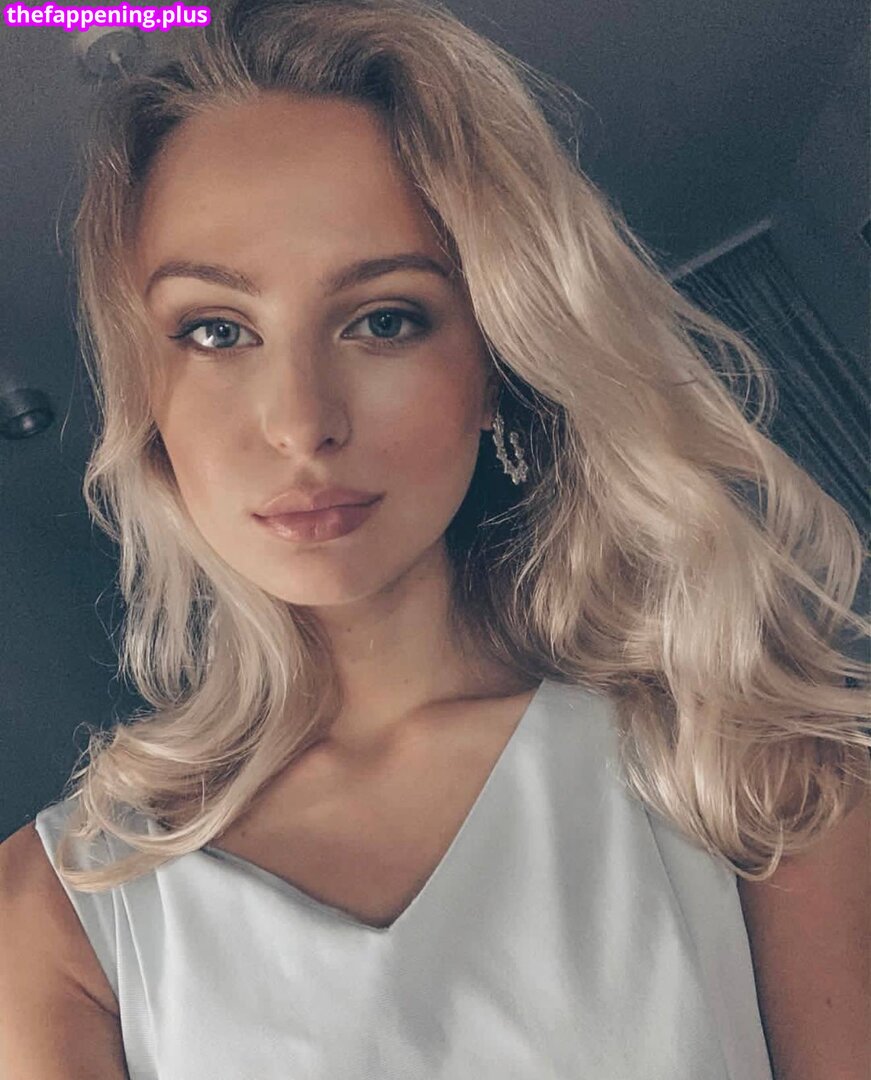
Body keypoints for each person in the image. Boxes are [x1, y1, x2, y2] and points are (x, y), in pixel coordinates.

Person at [1, 0, 868, 1077]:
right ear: (147, 393)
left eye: (384, 319)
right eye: (215, 331)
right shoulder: (57, 910)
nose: (301, 422)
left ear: (494, 361)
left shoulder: (746, 760)